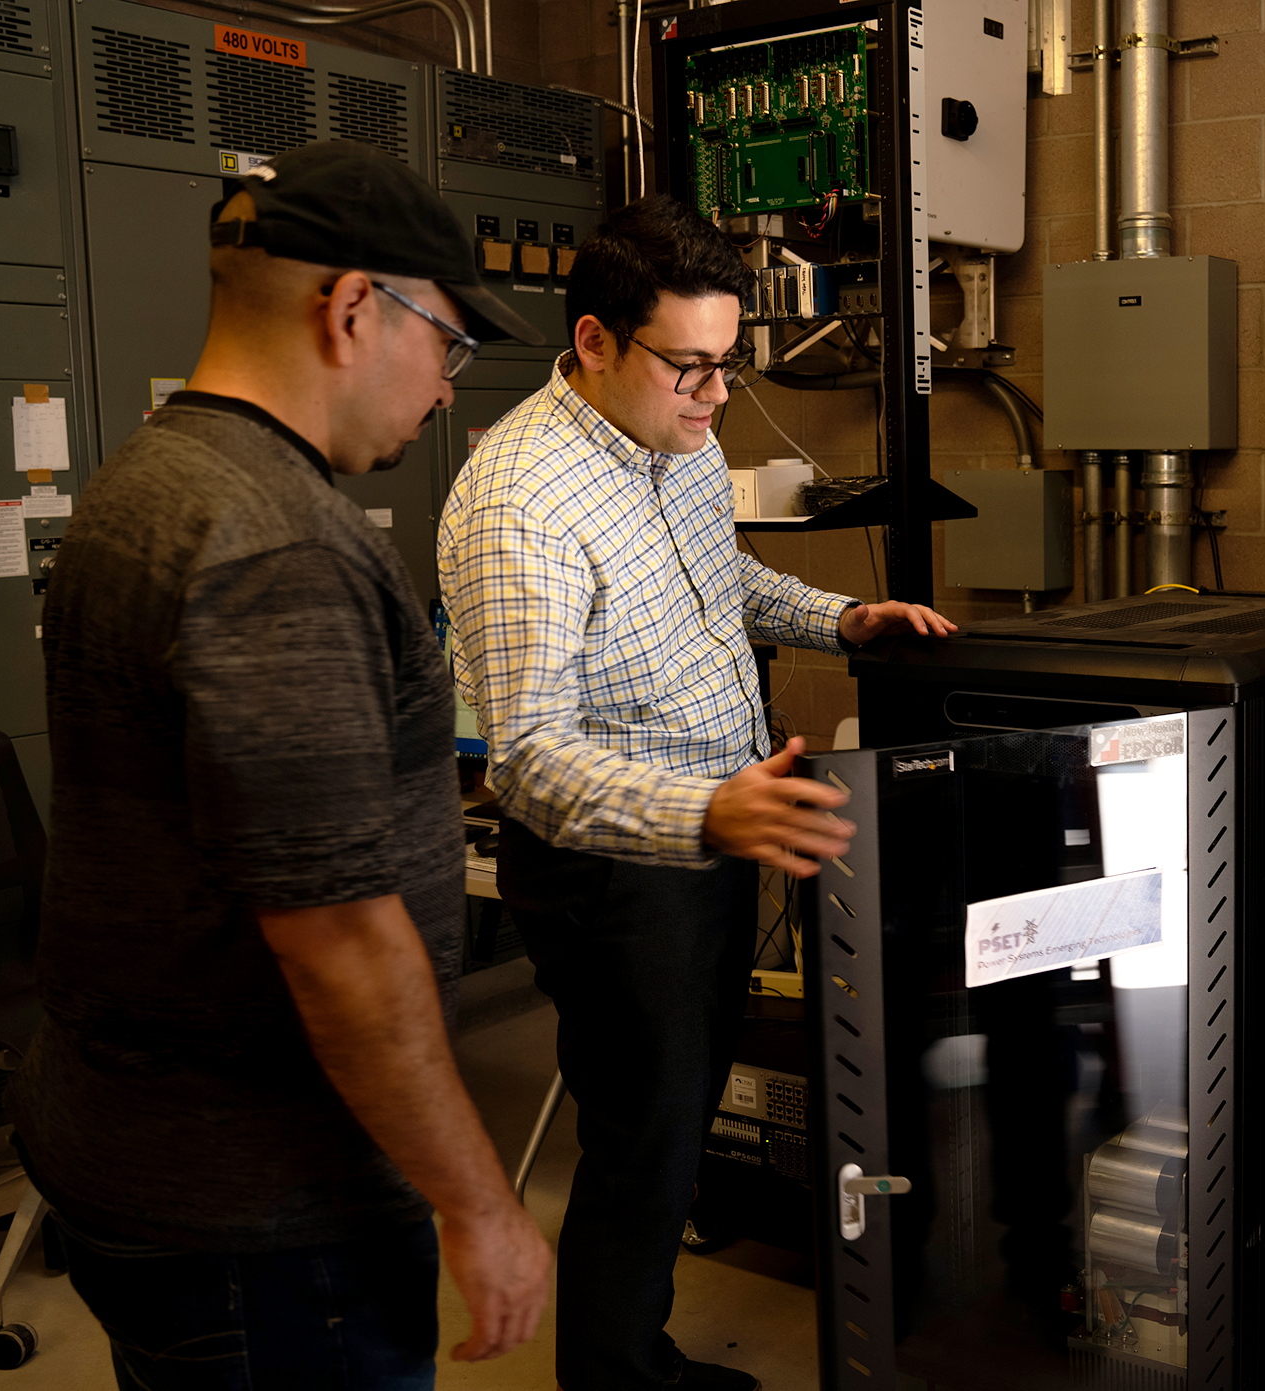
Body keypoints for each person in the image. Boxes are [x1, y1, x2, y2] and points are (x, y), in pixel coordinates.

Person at [8, 141, 555, 1388]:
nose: (444, 389)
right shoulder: (276, 546)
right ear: (353, 307)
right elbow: (338, 942)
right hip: (265, 1208)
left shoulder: (150, 477)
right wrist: (479, 1201)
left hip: (137, 1150)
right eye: (447, 344)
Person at [437, 193, 955, 1391]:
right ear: (594, 343)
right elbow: (527, 756)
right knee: (644, 1142)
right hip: (620, 874)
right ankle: (614, 1376)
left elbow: (719, 572)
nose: (716, 397)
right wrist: (706, 813)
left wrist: (842, 616)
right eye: (691, 368)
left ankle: (636, 1352)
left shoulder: (674, 435)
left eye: (727, 366)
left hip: (710, 832)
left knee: (671, 1124)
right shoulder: (523, 501)